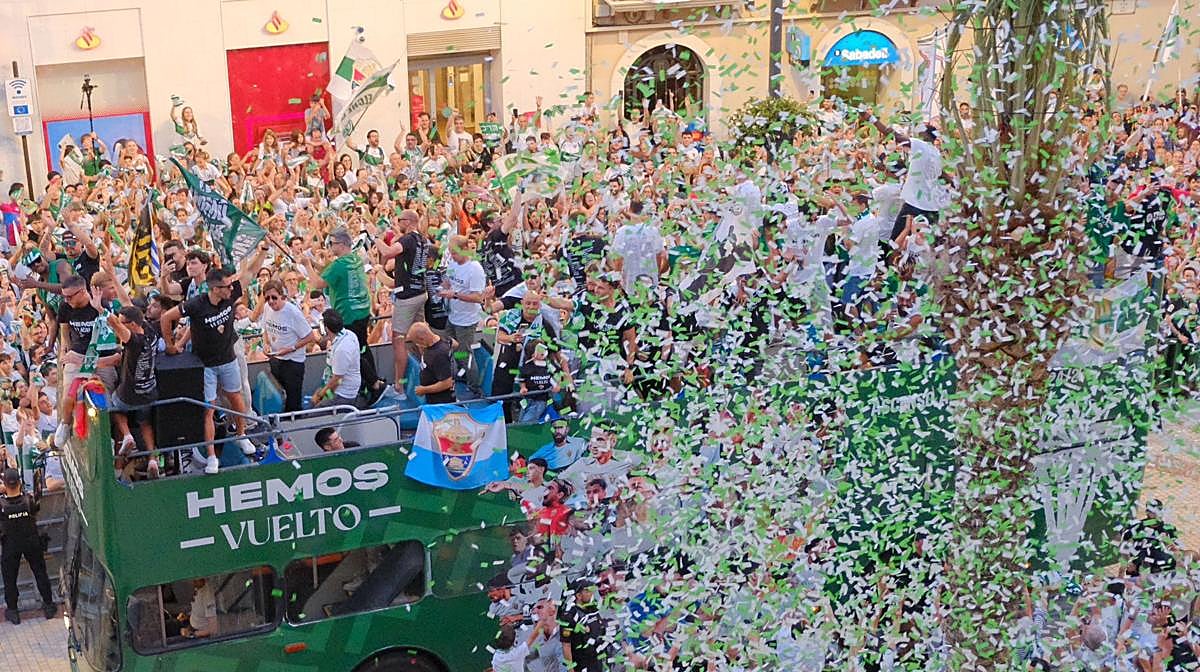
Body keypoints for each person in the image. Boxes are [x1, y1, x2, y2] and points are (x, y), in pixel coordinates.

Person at [160, 268, 257, 474]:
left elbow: (251, 272)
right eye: (227, 286)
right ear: (215, 288)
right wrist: (171, 345)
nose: (231, 289)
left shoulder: (231, 296)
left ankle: (241, 436)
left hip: (228, 359)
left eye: (231, 285)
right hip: (205, 365)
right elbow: (167, 317)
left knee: (237, 400)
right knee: (209, 409)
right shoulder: (196, 304)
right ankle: (212, 456)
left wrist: (263, 250)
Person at [305, 228, 383, 404]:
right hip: (362, 311)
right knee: (363, 347)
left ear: (340, 244)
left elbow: (318, 283)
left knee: (358, 352)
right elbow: (328, 269)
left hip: (348, 314)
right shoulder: (354, 257)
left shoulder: (339, 265)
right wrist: (311, 263)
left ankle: (375, 385)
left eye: (331, 243)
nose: (329, 247)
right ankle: (373, 382)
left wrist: (307, 266)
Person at [376, 209, 427, 398]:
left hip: (407, 297)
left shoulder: (406, 240)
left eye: (400, 220)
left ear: (409, 221)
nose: (398, 223)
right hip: (420, 292)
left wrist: (375, 237)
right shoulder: (422, 239)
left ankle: (399, 386)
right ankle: (427, 371)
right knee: (420, 335)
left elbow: (389, 252)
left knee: (398, 340)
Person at [106, 306, 159, 479]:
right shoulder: (150, 330)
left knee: (115, 407)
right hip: (149, 391)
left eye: (124, 323)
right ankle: (153, 459)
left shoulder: (134, 341)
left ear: (133, 324)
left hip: (129, 394)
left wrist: (99, 307)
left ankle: (127, 436)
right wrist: (114, 278)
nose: (121, 326)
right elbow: (127, 302)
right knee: (145, 424)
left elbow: (114, 324)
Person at [0, 468, 56, 624]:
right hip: (31, 543)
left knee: (10, 579)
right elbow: (36, 507)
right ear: (19, 483)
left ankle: (13, 611)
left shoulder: (1, 505)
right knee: (40, 573)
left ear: (4, 484)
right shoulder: (28, 500)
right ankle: (49, 606)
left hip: (10, 545)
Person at [259, 279, 317, 413]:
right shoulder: (267, 308)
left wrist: (290, 349)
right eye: (268, 298)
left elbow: (310, 336)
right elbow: (265, 329)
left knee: (293, 400)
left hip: (293, 362)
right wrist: (266, 344)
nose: (271, 301)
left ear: (282, 296)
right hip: (275, 358)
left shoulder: (292, 312)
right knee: (276, 395)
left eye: (274, 297)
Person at [441, 235, 487, 398]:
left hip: (467, 320)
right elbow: (449, 280)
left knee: (465, 352)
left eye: (455, 252)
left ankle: (474, 386)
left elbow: (477, 297)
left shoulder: (475, 269)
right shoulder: (453, 263)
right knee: (450, 348)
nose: (452, 256)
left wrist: (454, 295)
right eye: (451, 252)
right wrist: (444, 288)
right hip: (453, 316)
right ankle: (461, 374)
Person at [312, 308, 362, 408]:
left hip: (342, 394)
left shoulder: (342, 349)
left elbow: (337, 381)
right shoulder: (349, 334)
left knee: (310, 416)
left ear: (326, 328)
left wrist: (320, 395)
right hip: (334, 385)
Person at [406, 322, 455, 405]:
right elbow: (455, 344)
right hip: (432, 397)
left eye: (416, 341)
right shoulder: (436, 339)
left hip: (441, 402)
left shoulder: (439, 355)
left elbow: (447, 383)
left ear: (422, 339)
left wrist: (424, 390)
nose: (416, 344)